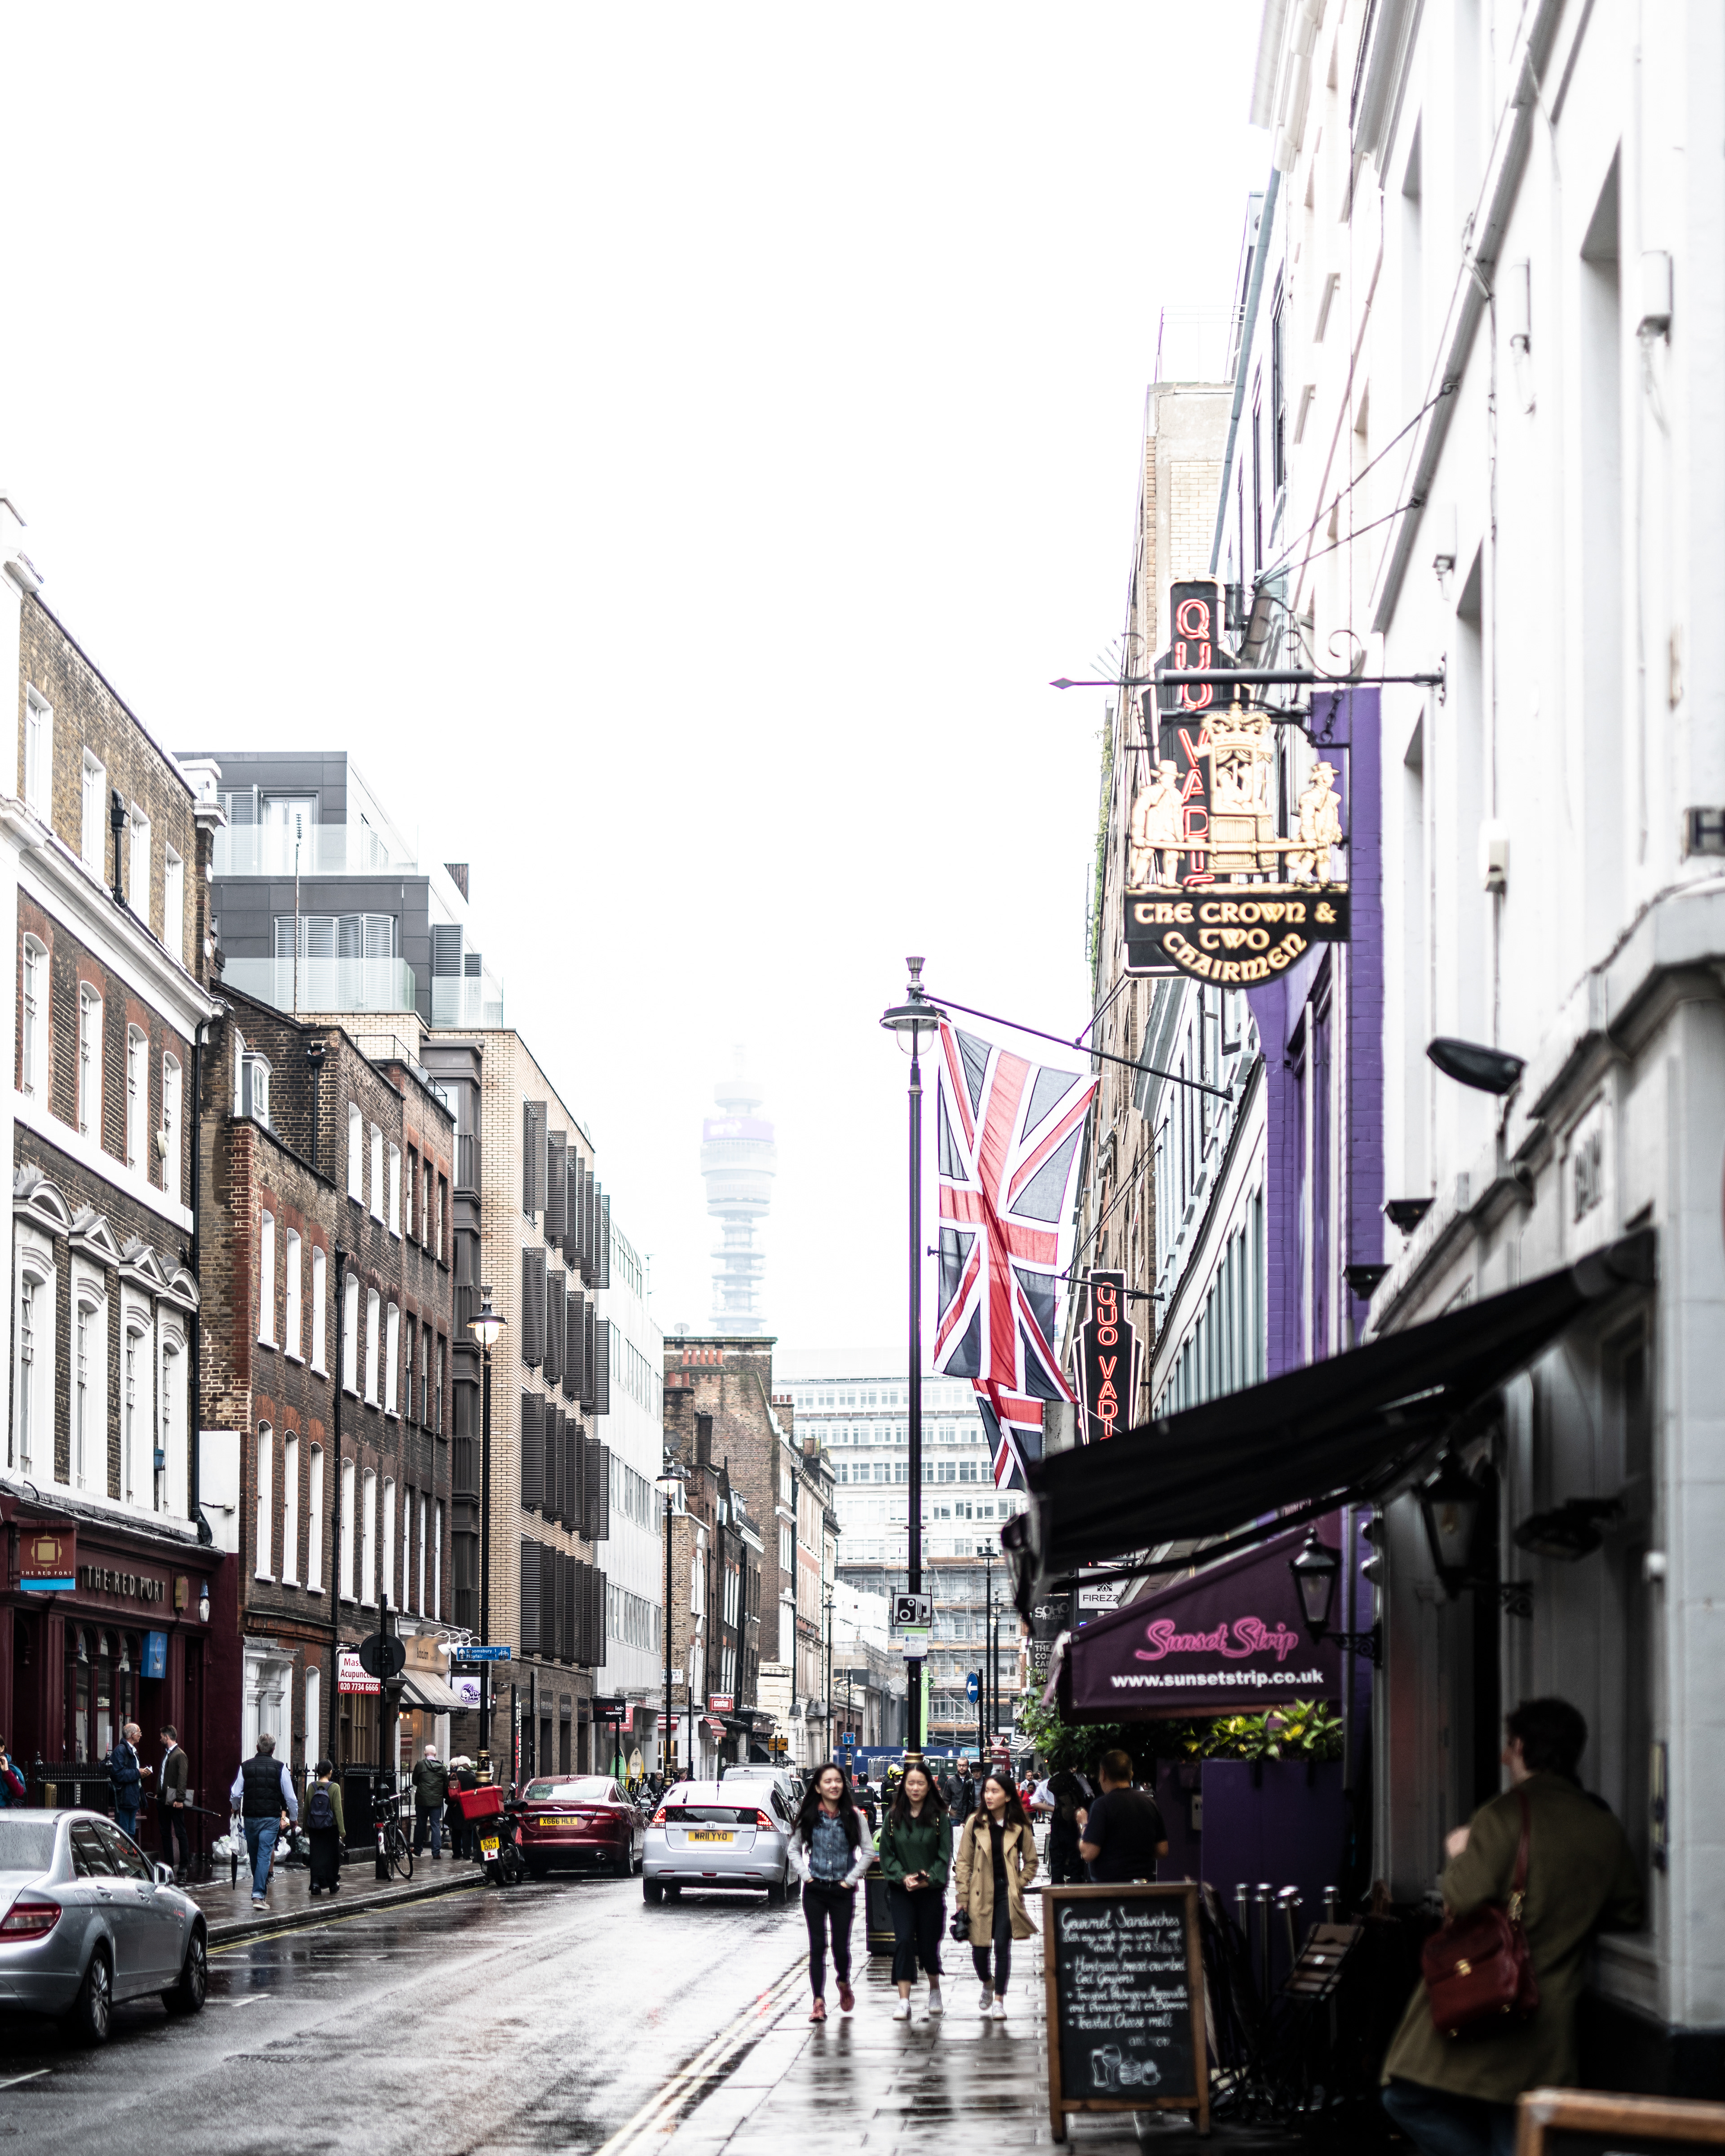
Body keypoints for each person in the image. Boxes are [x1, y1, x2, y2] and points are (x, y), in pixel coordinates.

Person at [1380, 1699, 1644, 2156]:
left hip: (1494, 1999)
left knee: (1406, 2096)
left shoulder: (1504, 1815)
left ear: (1521, 1746)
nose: (1504, 1757)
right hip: (1554, 2019)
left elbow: (1462, 1897)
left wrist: (1458, 1851)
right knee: (1520, 2128)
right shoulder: (1603, 1827)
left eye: (1509, 1746)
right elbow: (1627, 1911)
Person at [787, 1762, 872, 2022]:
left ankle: (844, 1981)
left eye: (837, 1781)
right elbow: (794, 1849)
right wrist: (807, 1876)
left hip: (842, 1891)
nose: (833, 1786)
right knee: (817, 1946)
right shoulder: (810, 1817)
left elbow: (869, 1852)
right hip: (815, 1890)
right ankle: (818, 2002)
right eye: (827, 1782)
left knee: (840, 1947)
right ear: (818, 1787)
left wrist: (851, 1879)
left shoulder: (855, 1816)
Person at [955, 1768, 1040, 2020]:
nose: (988, 1796)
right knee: (980, 1951)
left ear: (1008, 1796)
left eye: (995, 1791)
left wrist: (1019, 1883)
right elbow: (964, 1863)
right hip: (979, 1893)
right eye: (986, 1791)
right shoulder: (975, 1823)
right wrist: (962, 1897)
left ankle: (1000, 2001)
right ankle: (988, 1982)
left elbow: (1032, 1862)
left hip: (1006, 1893)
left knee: (1003, 1947)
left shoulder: (1020, 1825)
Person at [879, 1762, 951, 2022]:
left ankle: (934, 1990)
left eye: (921, 1783)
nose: (915, 1788)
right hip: (902, 1891)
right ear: (903, 1786)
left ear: (929, 1785)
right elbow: (887, 1854)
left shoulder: (939, 1817)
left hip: (930, 1891)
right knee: (904, 1941)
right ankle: (904, 2000)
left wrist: (927, 1879)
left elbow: (944, 1856)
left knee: (929, 1943)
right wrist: (903, 1877)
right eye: (911, 1783)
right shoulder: (893, 1817)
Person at [229, 1732, 299, 1909]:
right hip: (270, 1818)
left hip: (251, 1817)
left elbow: (236, 1793)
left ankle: (258, 1893)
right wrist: (294, 1818)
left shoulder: (245, 1767)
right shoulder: (280, 1768)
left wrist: (236, 1807)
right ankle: (259, 1895)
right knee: (263, 1856)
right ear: (273, 1750)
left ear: (257, 1747)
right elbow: (291, 1798)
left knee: (256, 1855)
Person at [1077, 1750, 1167, 1882]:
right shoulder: (1149, 1803)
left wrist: (1084, 1824)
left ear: (1103, 1775)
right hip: (1144, 1888)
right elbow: (1162, 1850)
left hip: (1112, 1890)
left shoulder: (1102, 1806)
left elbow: (1088, 1853)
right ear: (1131, 1775)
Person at [1043, 1764, 1092, 1886]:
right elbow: (1089, 1793)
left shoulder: (1053, 1781)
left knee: (1057, 1859)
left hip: (1058, 1823)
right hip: (1074, 1823)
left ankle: (1056, 1889)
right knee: (1075, 1857)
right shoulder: (1078, 1777)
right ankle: (1075, 1889)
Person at [305, 1759, 345, 1895]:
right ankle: (333, 1884)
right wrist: (342, 1830)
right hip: (331, 1828)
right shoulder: (335, 1788)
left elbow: (307, 1809)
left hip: (315, 1828)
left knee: (316, 1856)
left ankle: (315, 1884)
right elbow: (338, 1810)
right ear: (330, 1772)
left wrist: (306, 1828)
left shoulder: (311, 1787)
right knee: (332, 1856)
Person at [159, 1724, 192, 1880]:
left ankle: (184, 1865)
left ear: (167, 1737)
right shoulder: (167, 1755)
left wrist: (180, 1799)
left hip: (174, 1800)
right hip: (163, 1799)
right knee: (165, 1832)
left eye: (162, 1736)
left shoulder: (180, 1755)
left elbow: (182, 1777)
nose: (160, 1739)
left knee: (180, 1832)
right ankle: (169, 1864)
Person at [106, 1721, 146, 1843]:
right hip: (124, 1799)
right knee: (124, 1834)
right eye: (139, 1733)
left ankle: (130, 1859)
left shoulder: (132, 1751)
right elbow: (118, 1774)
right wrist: (138, 1773)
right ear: (132, 1734)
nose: (141, 1735)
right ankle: (123, 1860)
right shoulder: (121, 1750)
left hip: (132, 1798)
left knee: (131, 1833)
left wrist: (142, 1774)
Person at [413, 1744, 449, 1859]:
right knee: (435, 1825)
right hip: (436, 1802)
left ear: (425, 1753)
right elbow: (446, 1785)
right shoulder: (442, 1768)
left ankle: (418, 1850)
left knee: (421, 1825)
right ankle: (436, 1853)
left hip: (422, 1801)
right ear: (436, 1754)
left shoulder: (420, 1765)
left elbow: (414, 1781)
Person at [0, 1738, 25, 1806]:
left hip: (4, 1812)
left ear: (2, 1749)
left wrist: (7, 1772)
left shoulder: (11, 1769)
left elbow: (19, 1793)